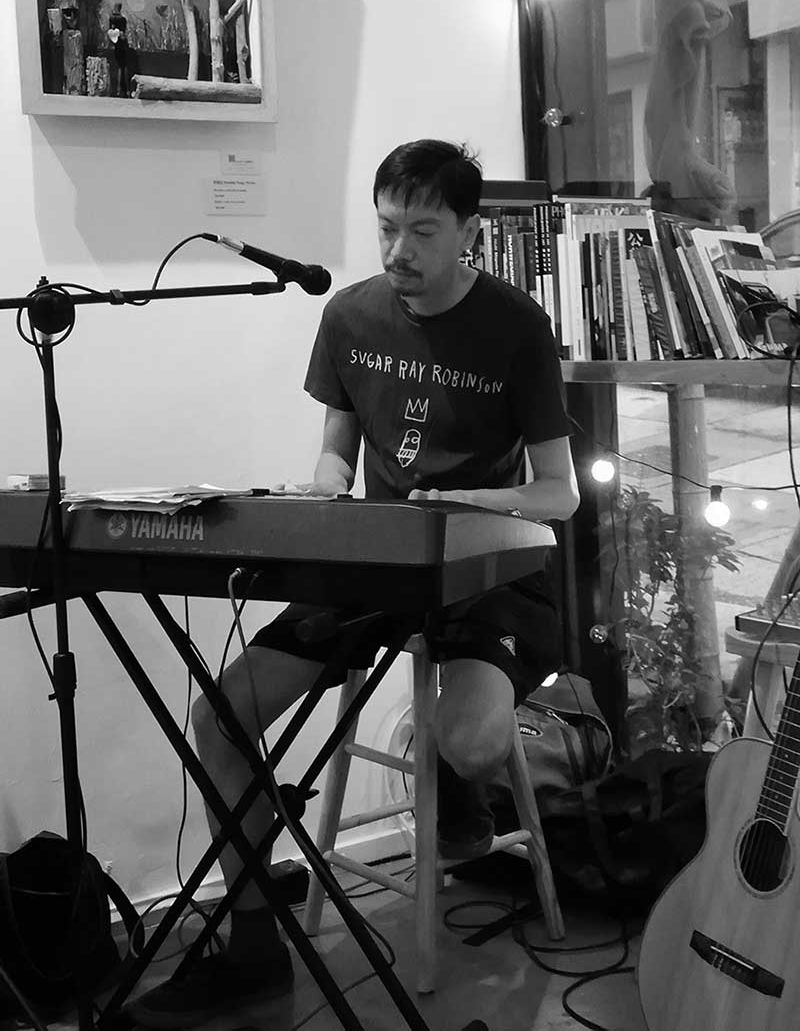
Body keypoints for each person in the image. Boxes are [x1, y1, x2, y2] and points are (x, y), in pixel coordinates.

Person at [131, 139, 579, 1027]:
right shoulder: (348, 315)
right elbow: (336, 456)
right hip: (380, 560)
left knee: (471, 742)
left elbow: (558, 493)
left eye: (422, 231)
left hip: (488, 565)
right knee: (221, 716)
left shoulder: (517, 326)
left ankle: (456, 778)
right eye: (386, 227)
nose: (398, 250)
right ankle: (254, 945)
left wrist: (467, 500)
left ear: (469, 232)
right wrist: (324, 490)